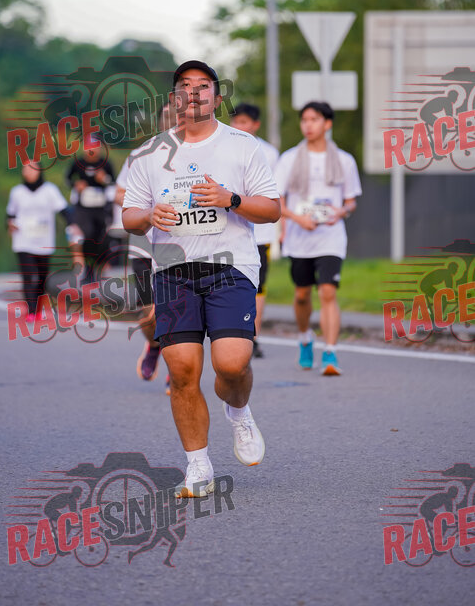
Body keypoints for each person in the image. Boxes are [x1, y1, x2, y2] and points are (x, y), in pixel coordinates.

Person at [123, 61, 280, 497]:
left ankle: (239, 411)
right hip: (173, 271)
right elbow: (129, 215)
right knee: (183, 371)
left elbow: (272, 209)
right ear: (174, 98)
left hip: (231, 266)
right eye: (185, 86)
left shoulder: (242, 145)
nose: (194, 93)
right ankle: (198, 467)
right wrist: (148, 215)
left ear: (217, 96)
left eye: (203, 86)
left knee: (231, 364)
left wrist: (231, 199)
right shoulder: (150, 153)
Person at [275, 102, 361, 375]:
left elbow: (350, 201)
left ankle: (331, 353)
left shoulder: (344, 160)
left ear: (327, 123)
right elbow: (277, 201)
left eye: (314, 119)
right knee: (302, 295)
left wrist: (341, 212)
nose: (308, 125)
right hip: (300, 238)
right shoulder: (289, 159)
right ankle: (305, 339)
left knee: (327, 291)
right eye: (304, 120)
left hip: (330, 237)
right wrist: (297, 219)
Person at [115, 102, 176, 393]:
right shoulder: (142, 154)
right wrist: (145, 205)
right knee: (147, 312)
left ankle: (177, 369)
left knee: (177, 309)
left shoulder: (199, 154)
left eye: (176, 114)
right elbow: (119, 193)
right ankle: (153, 345)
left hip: (179, 246)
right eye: (166, 115)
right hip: (143, 244)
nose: (172, 119)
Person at [230, 103, 279, 358]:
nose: (239, 127)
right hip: (231, 230)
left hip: (260, 232)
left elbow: (275, 195)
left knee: (257, 286)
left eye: (244, 122)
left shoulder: (269, 153)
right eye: (235, 122)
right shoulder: (223, 149)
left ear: (256, 125)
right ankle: (231, 335)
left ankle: (253, 337)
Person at [7, 164, 72, 322]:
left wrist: (74, 224)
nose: (28, 172)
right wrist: (10, 224)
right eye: (25, 169)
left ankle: (37, 309)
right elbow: (10, 215)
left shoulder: (50, 190)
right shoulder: (17, 192)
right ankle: (31, 311)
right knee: (28, 276)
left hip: (44, 241)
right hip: (23, 240)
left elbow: (64, 210)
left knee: (42, 277)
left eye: (32, 168)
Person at [65, 136, 115, 283]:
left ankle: (100, 267)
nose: (91, 151)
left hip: (101, 207)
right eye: (89, 147)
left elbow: (114, 183)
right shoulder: (78, 163)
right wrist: (76, 184)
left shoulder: (106, 164)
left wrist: (104, 180)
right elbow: (67, 179)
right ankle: (88, 269)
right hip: (84, 208)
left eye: (95, 147)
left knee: (102, 238)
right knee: (86, 235)